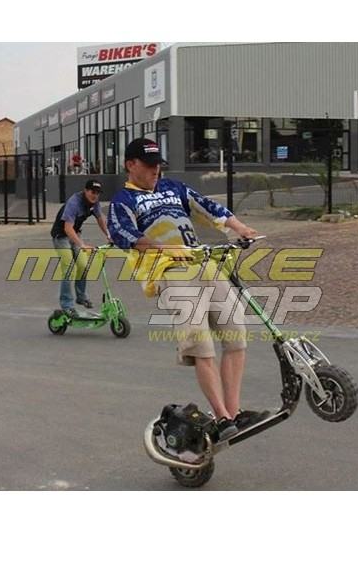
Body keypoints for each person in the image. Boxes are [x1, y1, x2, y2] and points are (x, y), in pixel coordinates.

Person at [108, 138, 266, 440]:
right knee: (201, 345)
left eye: (158, 164)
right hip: (170, 272)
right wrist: (164, 248)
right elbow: (122, 233)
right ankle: (221, 417)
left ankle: (234, 413)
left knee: (236, 334)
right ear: (131, 165)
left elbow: (208, 207)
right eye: (149, 165)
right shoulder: (123, 200)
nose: (155, 170)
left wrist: (240, 227)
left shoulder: (174, 188)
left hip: (204, 263)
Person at [51, 179, 111, 316]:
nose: (95, 195)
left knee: (83, 265)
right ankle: (67, 305)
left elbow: (100, 218)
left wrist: (109, 235)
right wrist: (82, 245)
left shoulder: (94, 203)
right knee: (68, 269)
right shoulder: (74, 203)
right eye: (92, 192)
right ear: (85, 191)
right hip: (61, 236)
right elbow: (67, 228)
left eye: (97, 193)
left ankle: (81, 296)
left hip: (75, 234)